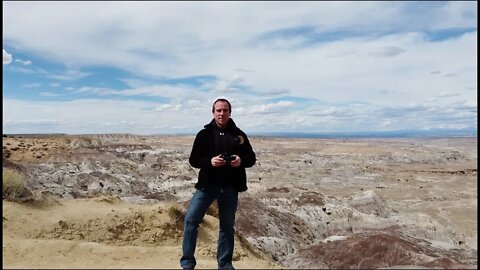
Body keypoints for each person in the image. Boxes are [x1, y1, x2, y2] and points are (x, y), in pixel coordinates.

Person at [180, 98, 256, 270]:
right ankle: (187, 264)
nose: (222, 113)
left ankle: (225, 264)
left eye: (225, 110)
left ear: (230, 112)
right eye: (218, 110)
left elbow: (251, 159)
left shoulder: (239, 135)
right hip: (207, 186)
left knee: (227, 227)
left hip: (230, 188)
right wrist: (210, 162)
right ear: (213, 112)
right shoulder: (204, 134)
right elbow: (194, 159)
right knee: (191, 220)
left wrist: (240, 160)